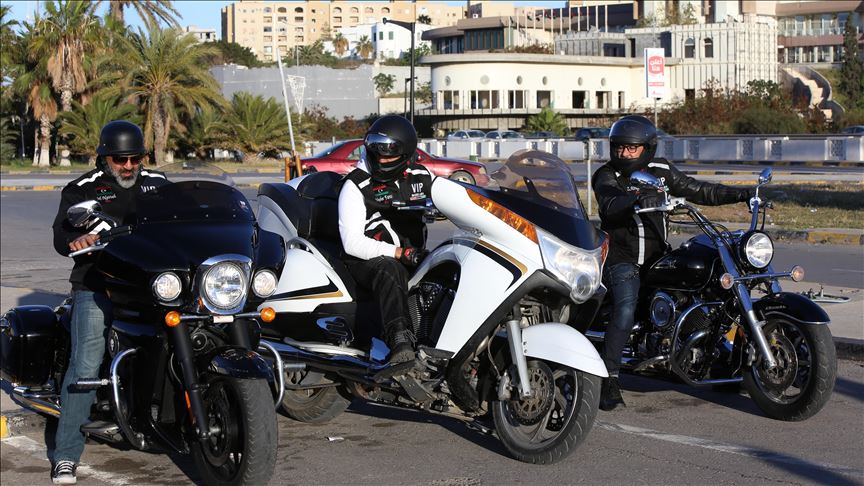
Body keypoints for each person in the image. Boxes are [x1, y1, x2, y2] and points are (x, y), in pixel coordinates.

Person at [592, 115, 751, 411]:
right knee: (625, 308)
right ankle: (608, 378)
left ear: (647, 148)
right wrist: (634, 201)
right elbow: (609, 204)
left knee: (714, 287)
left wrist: (741, 194)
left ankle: (723, 361)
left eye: (631, 148)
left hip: (658, 257)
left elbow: (697, 189)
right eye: (620, 147)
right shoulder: (606, 175)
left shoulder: (661, 169)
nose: (624, 153)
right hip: (622, 259)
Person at [50, 120, 169, 484]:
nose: (129, 166)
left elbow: (182, 219)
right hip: (97, 284)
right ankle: (66, 455)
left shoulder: (159, 184)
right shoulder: (82, 189)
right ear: (104, 157)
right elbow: (62, 236)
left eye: (135, 158)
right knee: (86, 362)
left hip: (149, 285)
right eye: (120, 159)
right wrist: (77, 240)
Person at [337, 115, 434, 364]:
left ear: (406, 154)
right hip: (364, 260)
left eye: (389, 154)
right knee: (390, 269)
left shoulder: (422, 176)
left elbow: (455, 202)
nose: (381, 159)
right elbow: (351, 242)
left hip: (412, 255)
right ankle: (399, 341)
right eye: (376, 151)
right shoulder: (356, 185)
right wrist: (399, 253)